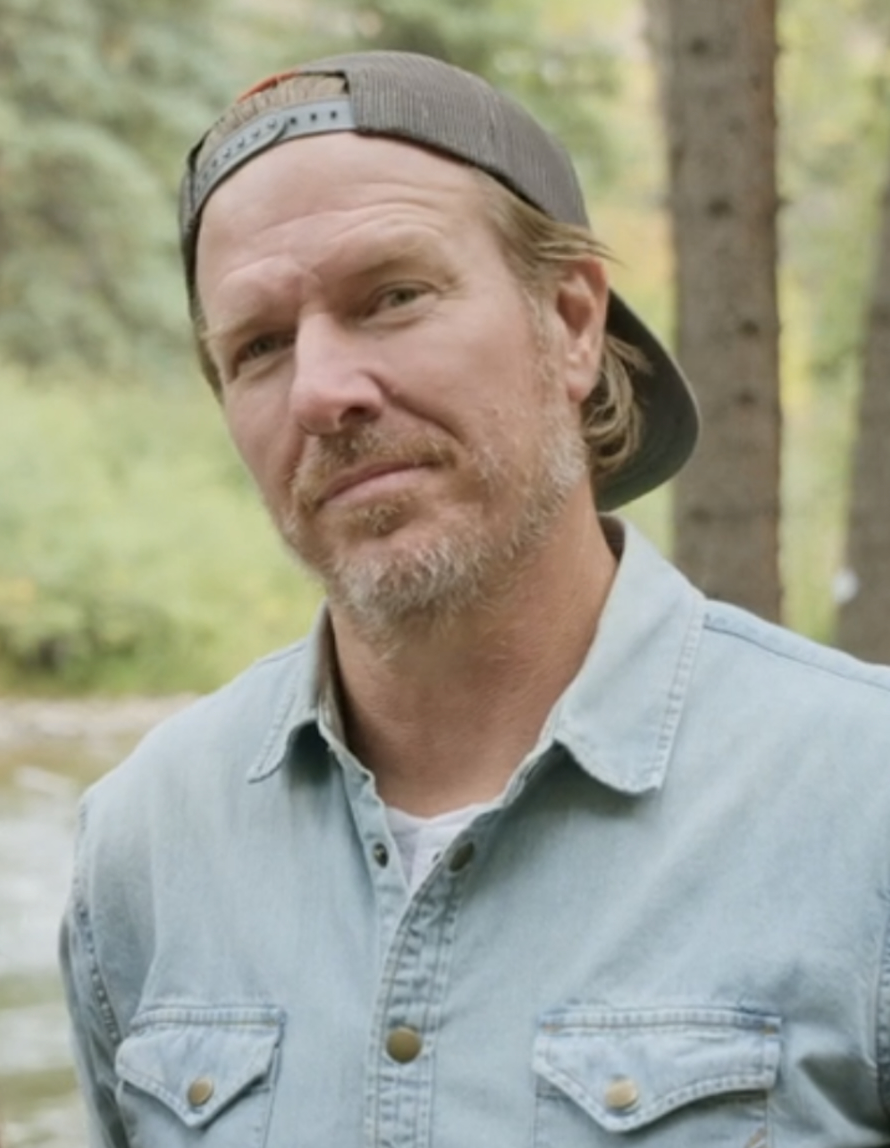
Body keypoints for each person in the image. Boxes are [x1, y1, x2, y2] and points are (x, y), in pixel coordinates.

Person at [60, 49, 890, 1146]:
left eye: (394, 296)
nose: (322, 392)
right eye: (259, 347)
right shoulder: (143, 843)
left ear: (572, 322)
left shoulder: (863, 798)